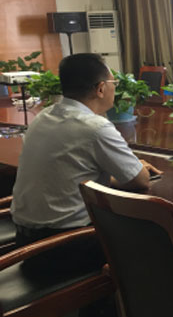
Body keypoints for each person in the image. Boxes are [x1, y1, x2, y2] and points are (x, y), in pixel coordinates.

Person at [11, 53, 161, 272]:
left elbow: (76, 176)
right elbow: (140, 181)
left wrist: (119, 173)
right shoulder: (95, 127)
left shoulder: (43, 116)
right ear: (100, 88)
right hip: (67, 245)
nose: (115, 88)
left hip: (26, 241)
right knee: (161, 234)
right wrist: (135, 169)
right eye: (113, 83)